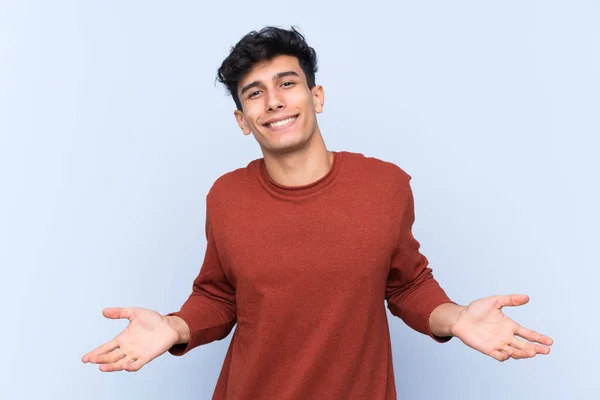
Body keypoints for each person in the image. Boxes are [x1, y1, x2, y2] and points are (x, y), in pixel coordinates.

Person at [81, 26, 553, 399]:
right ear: (243, 121)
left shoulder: (385, 185)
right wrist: (174, 327)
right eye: (254, 93)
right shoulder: (225, 197)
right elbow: (221, 296)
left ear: (316, 96)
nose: (274, 102)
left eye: (287, 83)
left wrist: (456, 318)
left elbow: (406, 283)